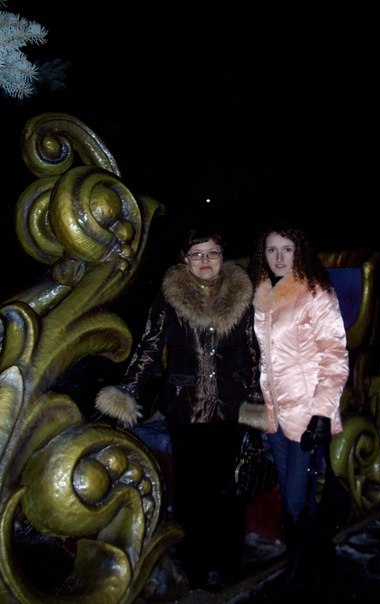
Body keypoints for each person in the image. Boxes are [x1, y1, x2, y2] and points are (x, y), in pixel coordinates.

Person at [95, 224, 261, 592]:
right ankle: (195, 565)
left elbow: (251, 351)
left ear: (223, 256)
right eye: (197, 254)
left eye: (212, 253)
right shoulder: (171, 296)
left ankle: (226, 564)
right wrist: (128, 389)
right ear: (185, 259)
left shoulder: (241, 294)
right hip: (186, 407)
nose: (205, 261)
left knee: (226, 489)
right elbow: (150, 347)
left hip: (229, 407)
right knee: (191, 491)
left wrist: (254, 397)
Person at [247, 222, 350, 597]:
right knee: (297, 497)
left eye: (286, 249)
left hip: (307, 415)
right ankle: (310, 563)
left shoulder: (315, 292)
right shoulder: (262, 293)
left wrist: (322, 413)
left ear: (299, 251)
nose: (278, 257)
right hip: (275, 413)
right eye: (271, 249)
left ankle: (300, 566)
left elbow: (335, 357)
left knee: (295, 499)